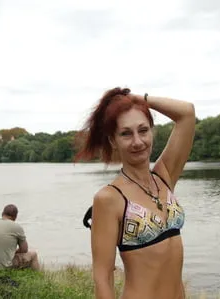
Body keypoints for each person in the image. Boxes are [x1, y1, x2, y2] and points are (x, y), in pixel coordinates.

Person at [75, 87, 195, 299]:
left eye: (143, 130)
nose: (138, 142)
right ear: (113, 140)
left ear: (152, 131)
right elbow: (102, 277)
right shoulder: (110, 198)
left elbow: (186, 113)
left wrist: (139, 100)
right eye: (126, 133)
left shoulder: (164, 177)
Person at [0, 204, 41, 271]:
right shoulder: (17, 227)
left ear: (2, 213)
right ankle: (38, 278)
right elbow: (24, 249)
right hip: (2, 267)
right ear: (15, 217)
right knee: (33, 255)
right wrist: (14, 252)